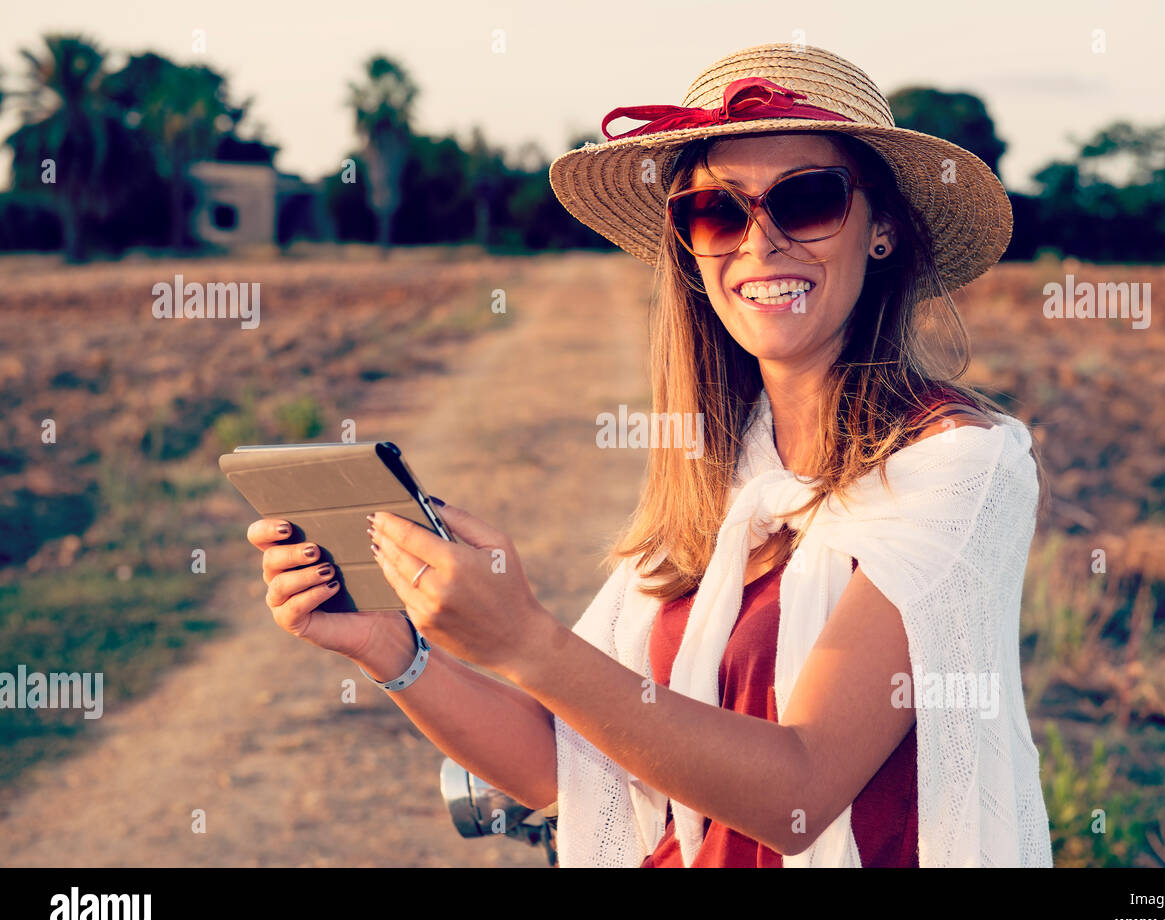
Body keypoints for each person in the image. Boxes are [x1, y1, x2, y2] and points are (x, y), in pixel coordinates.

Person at [246, 42, 1053, 867]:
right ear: (692, 253)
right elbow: (563, 762)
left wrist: (524, 638)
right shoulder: (721, 474)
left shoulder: (962, 464)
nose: (760, 242)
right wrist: (393, 647)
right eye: (717, 211)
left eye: (807, 200)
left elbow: (801, 789)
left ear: (882, 231)